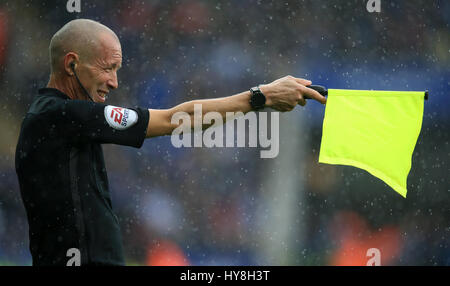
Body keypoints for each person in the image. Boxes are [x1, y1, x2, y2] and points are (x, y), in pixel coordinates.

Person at [15, 19, 326, 266]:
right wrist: (261, 97)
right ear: (71, 64)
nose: (114, 82)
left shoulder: (63, 121)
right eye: (107, 68)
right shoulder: (59, 114)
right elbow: (172, 120)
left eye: (117, 70)